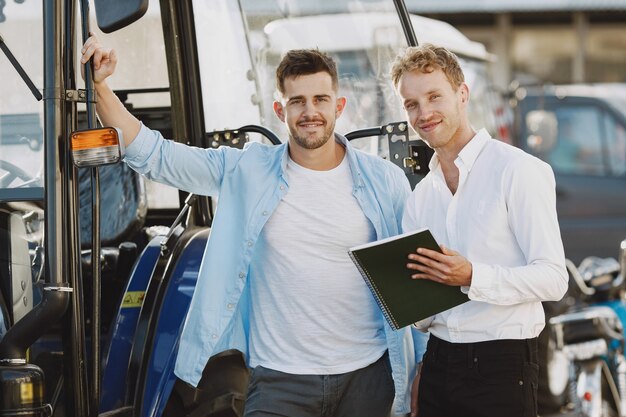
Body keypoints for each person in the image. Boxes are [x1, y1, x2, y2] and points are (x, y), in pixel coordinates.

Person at [80, 35, 427, 417]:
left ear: (338, 105)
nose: (309, 111)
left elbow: (410, 282)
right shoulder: (246, 170)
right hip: (280, 380)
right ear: (280, 110)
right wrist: (99, 87)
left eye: (320, 100)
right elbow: (156, 155)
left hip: (368, 377)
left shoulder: (384, 181)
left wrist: (423, 366)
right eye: (297, 101)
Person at [389, 43, 568, 417]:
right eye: (411, 104)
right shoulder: (420, 195)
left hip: (502, 365)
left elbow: (554, 279)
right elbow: (424, 312)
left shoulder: (516, 171)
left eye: (434, 96)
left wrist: (472, 275)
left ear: (462, 94)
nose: (424, 113)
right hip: (438, 362)